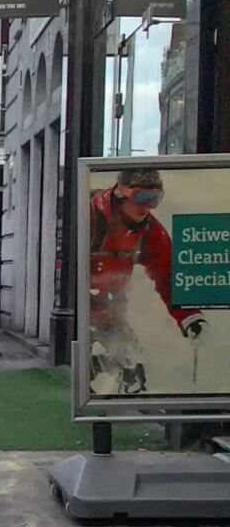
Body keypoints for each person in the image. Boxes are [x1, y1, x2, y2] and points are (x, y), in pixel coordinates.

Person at [89, 168, 206, 393]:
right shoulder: (92, 217)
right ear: (121, 194)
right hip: (83, 307)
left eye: (155, 199)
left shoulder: (150, 230)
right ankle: (99, 419)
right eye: (142, 198)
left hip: (113, 308)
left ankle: (125, 398)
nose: (148, 206)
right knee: (96, 373)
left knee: (132, 368)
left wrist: (189, 316)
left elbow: (168, 276)